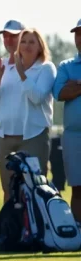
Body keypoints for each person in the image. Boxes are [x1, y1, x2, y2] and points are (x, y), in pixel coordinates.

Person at [0, 28, 56, 200]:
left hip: (33, 137)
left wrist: (21, 73)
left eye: (32, 42)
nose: (27, 46)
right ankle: (11, 228)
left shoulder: (46, 68)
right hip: (6, 137)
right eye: (23, 42)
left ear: (40, 46)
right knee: (9, 192)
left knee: (35, 190)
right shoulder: (6, 68)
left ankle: (35, 227)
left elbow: (37, 97)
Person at [53, 19, 81, 223]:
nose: (80, 37)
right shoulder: (66, 66)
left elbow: (70, 90)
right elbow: (60, 92)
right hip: (74, 136)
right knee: (78, 188)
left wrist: (77, 85)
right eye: (77, 33)